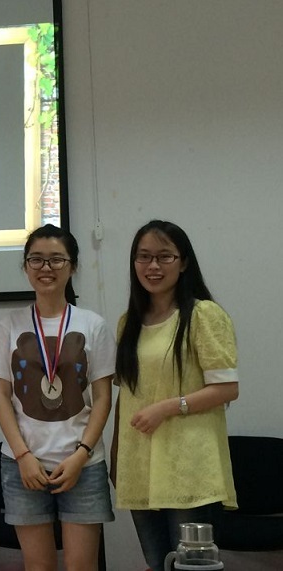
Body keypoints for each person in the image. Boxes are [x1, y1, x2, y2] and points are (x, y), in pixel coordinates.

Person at [0, 224, 114, 571]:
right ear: (26, 267)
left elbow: (102, 398)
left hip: (83, 463)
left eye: (56, 259)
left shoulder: (93, 325)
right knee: (38, 567)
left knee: (81, 567)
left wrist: (82, 455)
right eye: (36, 259)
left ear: (73, 266)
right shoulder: (8, 326)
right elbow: (0, 396)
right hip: (23, 464)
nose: (46, 268)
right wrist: (23, 456)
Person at [112, 220, 238, 571]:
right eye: (144, 257)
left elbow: (227, 389)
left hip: (188, 466)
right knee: (157, 563)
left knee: (191, 566)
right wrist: (117, 455)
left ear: (183, 263)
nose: (153, 266)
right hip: (140, 464)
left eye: (164, 256)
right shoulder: (128, 322)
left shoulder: (203, 315)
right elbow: (126, 395)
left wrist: (167, 407)